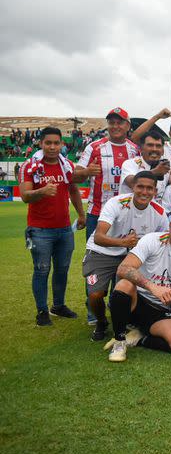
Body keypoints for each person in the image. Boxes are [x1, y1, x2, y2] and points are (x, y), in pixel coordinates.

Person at [103, 209, 171, 362]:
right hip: (137, 300)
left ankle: (139, 338)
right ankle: (119, 340)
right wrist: (153, 287)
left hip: (160, 309)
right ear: (170, 224)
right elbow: (123, 269)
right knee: (124, 284)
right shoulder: (152, 240)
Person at [83, 172, 169, 340]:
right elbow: (99, 237)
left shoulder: (159, 213)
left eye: (149, 188)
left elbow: (163, 242)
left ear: (155, 191)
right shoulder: (116, 203)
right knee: (95, 295)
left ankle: (124, 323)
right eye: (140, 187)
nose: (144, 192)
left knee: (125, 292)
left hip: (131, 257)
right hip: (101, 252)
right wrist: (124, 243)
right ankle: (101, 321)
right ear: (133, 187)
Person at [20, 127, 85, 326]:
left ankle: (58, 306)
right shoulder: (29, 166)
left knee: (62, 270)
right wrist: (42, 191)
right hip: (40, 230)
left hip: (65, 229)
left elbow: (74, 191)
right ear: (41, 144)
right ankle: (42, 311)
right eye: (48, 143)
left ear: (62, 145)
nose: (52, 147)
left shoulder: (67, 166)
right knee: (41, 270)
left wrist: (81, 214)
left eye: (56, 143)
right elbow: (24, 196)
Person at [75, 107, 140, 238]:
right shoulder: (93, 147)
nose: (115, 126)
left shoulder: (135, 150)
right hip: (98, 213)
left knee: (126, 255)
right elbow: (74, 177)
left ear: (128, 126)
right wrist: (87, 171)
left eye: (119, 123)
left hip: (127, 213)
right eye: (111, 123)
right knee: (94, 256)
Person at [118, 130, 170, 201]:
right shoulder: (130, 164)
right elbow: (131, 182)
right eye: (150, 145)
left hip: (152, 211)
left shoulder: (165, 168)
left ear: (163, 151)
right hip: (128, 210)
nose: (154, 149)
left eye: (158, 146)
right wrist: (155, 172)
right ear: (141, 149)